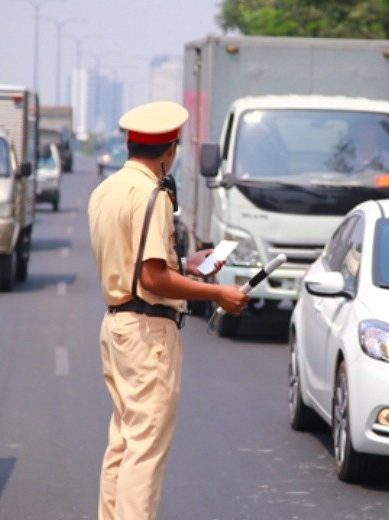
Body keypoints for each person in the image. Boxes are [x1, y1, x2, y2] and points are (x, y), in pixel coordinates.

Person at [87, 100, 249, 520]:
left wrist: (187, 264)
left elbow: (138, 262)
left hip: (117, 325)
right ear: (170, 150)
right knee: (144, 452)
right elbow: (152, 279)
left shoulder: (108, 189)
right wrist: (217, 295)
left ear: (128, 143)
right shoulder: (151, 194)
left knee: (123, 444)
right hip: (147, 334)